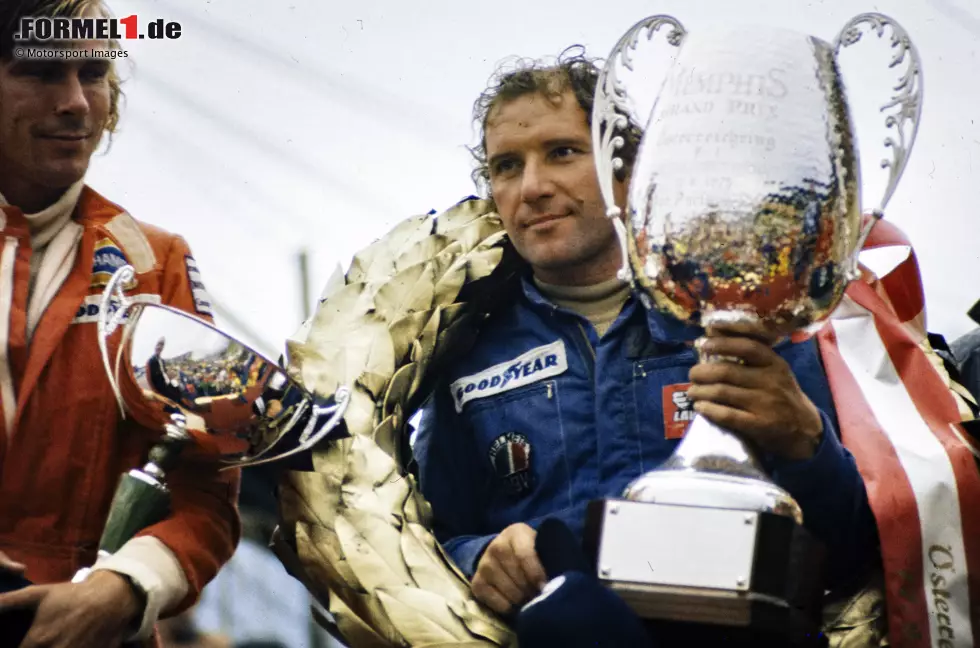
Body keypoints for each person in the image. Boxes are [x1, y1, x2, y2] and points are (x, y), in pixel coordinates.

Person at [412, 47, 880, 645]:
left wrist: (807, 443)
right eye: (507, 166)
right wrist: (482, 557)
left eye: (562, 153)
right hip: (561, 631)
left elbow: (855, 552)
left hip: (741, 630)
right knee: (572, 614)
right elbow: (432, 539)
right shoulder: (466, 358)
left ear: (625, 174)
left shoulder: (746, 315)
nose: (532, 187)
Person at [0, 1, 241, 646]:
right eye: (44, 73)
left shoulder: (154, 265)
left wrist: (126, 588)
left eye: (95, 72)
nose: (77, 102)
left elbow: (205, 488)